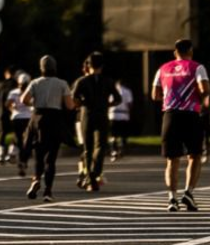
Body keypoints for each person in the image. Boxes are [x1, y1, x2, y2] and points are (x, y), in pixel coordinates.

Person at [152, 38, 210, 212]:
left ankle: (172, 198)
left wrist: (171, 98)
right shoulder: (197, 67)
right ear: (190, 51)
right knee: (195, 155)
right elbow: (205, 89)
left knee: (172, 159)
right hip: (191, 115)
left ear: (174, 52)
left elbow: (155, 95)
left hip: (170, 115)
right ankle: (189, 193)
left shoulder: (163, 68)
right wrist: (196, 98)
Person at [23, 55, 73, 203]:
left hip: (38, 118)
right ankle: (48, 191)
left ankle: (36, 179)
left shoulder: (35, 82)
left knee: (38, 153)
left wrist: (34, 103)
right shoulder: (62, 83)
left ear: (41, 68)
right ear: (55, 68)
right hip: (55, 119)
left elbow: (23, 100)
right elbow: (69, 105)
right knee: (51, 158)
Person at [70, 53, 118, 192]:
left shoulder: (82, 81)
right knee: (100, 147)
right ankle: (94, 175)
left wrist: (80, 103)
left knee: (87, 148)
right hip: (102, 115)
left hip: (86, 115)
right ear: (102, 66)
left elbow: (73, 98)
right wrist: (108, 104)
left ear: (88, 66)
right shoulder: (108, 81)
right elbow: (118, 98)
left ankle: (89, 178)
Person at [5, 72, 33, 178]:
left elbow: (7, 104)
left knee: (17, 137)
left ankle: (12, 151)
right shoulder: (31, 91)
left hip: (16, 117)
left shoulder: (14, 92)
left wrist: (13, 109)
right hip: (29, 118)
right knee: (28, 141)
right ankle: (23, 161)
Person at [0, 66, 18, 164]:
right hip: (14, 113)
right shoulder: (16, 85)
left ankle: (0, 155)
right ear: (14, 74)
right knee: (16, 132)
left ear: (6, 74)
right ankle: (11, 153)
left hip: (1, 112)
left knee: (2, 133)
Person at [110, 77, 134, 162]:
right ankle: (122, 150)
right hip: (124, 115)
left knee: (113, 135)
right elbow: (130, 103)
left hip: (113, 114)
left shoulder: (111, 91)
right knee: (123, 134)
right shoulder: (127, 91)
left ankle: (114, 151)